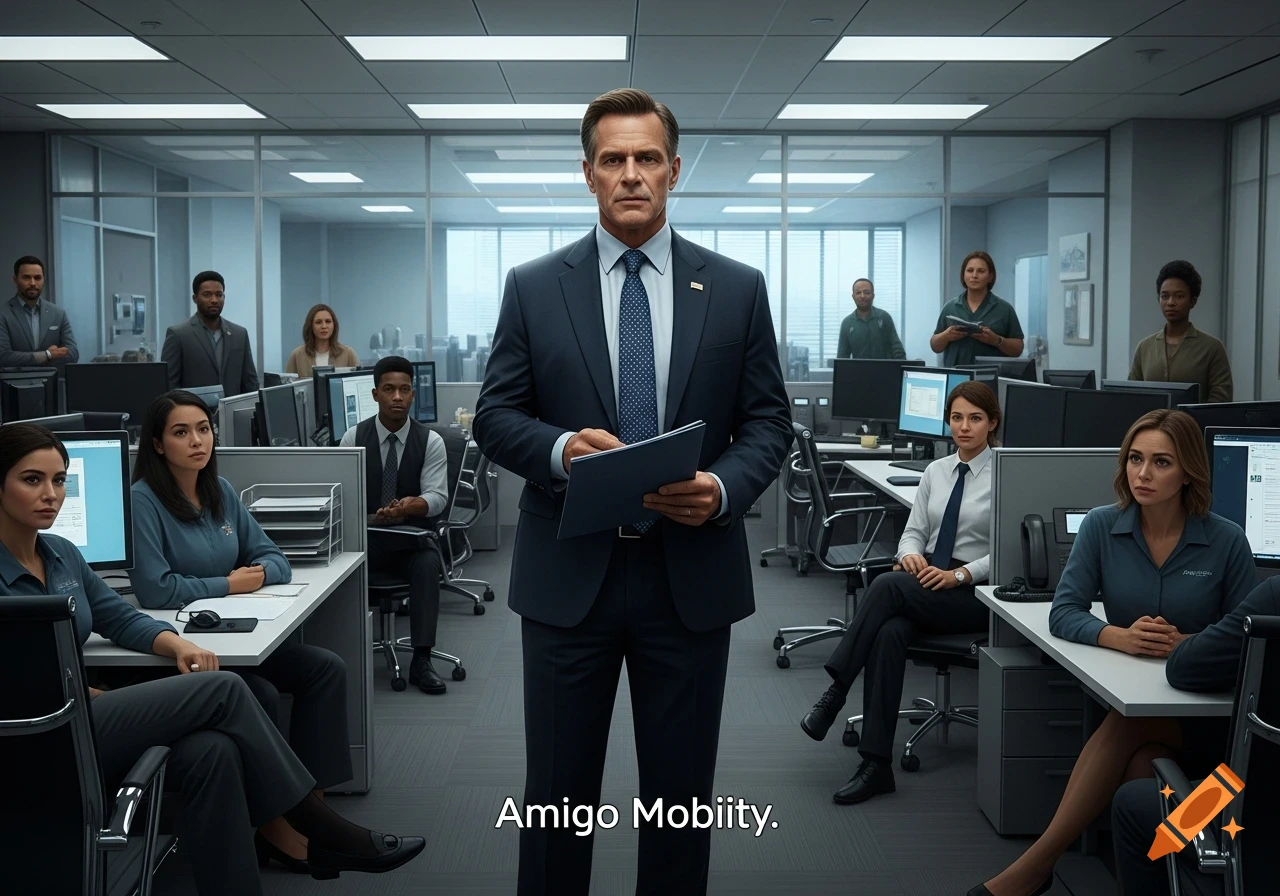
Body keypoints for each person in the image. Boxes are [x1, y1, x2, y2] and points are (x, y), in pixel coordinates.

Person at [472, 87, 791, 896]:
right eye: (613, 160)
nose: (631, 175)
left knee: (680, 806)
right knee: (556, 805)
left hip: (688, 581)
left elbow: (768, 425)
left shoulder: (737, 288)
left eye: (647, 158)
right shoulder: (534, 286)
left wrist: (722, 487)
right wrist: (558, 449)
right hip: (566, 577)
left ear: (674, 169)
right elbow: (495, 416)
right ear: (587, 174)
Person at [0, 422, 423, 896]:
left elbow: (119, 617)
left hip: (84, 718)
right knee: (225, 687)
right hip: (39, 737)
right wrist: (84, 691)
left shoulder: (58, 553)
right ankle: (321, 828)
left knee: (213, 753)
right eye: (32, 480)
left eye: (59, 480)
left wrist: (177, 643)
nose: (51, 494)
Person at [973, 409, 1257, 896]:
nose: (1143, 474)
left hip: (1222, 732)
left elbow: (1251, 641)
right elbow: (1063, 611)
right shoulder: (1103, 527)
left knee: (1131, 729)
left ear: (1189, 470)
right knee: (1140, 774)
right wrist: (1117, 636)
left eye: (1161, 462)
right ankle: (1153, 876)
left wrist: (1187, 643)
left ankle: (1038, 864)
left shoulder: (1226, 539)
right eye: (1135, 459)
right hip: (1151, 714)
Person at [127, 389, 354, 871]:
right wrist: (227, 583)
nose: (197, 441)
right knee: (261, 694)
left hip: (235, 635)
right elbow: (155, 589)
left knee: (324, 669)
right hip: (187, 647)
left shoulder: (220, 491)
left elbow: (276, 562)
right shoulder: (143, 500)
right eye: (181, 432)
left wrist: (240, 580)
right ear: (157, 444)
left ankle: (312, 805)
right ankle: (273, 826)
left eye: (204, 429)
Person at [799, 381, 998, 799]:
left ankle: (836, 693)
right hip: (929, 579)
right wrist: (910, 555)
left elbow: (1008, 553)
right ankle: (876, 766)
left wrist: (959, 577)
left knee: (887, 586)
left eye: (975, 418)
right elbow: (914, 533)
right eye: (957, 417)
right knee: (889, 633)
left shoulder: (1006, 476)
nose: (964, 427)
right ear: (948, 421)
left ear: (992, 423)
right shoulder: (936, 471)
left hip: (973, 592)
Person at [1109, 574, 1280, 896]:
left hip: (1251, 808)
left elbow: (1183, 668)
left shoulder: (1274, 597)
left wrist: (1187, 639)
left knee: (1133, 803)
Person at [340, 355, 450, 694]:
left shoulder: (430, 441)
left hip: (409, 540)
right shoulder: (352, 437)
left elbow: (438, 496)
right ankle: (342, 656)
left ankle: (421, 659)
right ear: (375, 395)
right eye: (389, 390)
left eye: (404, 390)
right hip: (367, 540)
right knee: (338, 562)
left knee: (429, 562)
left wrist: (410, 505)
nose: (398, 397)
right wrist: (372, 515)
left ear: (413, 395)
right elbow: (342, 498)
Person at [1129, 260, 1232, 403]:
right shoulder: (1145, 347)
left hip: (1192, 425)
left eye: (1179, 296)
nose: (1171, 302)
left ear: (1193, 301)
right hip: (1152, 425)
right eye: (1164, 296)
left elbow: (1221, 400)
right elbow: (1130, 395)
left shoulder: (1212, 347)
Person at [162, 271, 259, 396]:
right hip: (194, 412)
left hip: (231, 412)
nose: (214, 300)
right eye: (207, 295)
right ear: (195, 298)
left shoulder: (239, 334)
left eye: (219, 295)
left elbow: (250, 382)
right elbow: (170, 385)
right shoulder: (178, 334)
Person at [931, 251, 1025, 367]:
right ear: (963, 275)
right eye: (970, 270)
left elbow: (1018, 349)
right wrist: (946, 335)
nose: (974, 275)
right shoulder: (950, 307)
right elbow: (935, 346)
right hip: (957, 378)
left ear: (990, 277)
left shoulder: (1004, 309)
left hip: (989, 379)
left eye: (981, 271)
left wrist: (996, 340)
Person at [1, 255, 78, 367]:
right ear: (15, 280)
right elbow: (3, 357)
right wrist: (46, 355)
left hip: (51, 382)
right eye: (26, 277)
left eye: (37, 278)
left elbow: (73, 354)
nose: (32, 283)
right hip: (15, 383)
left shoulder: (58, 314)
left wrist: (39, 357)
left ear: (43, 280)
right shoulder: (3, 314)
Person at [835, 278, 906, 360]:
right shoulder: (847, 323)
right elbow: (842, 358)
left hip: (885, 371)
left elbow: (897, 349)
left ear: (873, 295)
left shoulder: (884, 317)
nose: (862, 296)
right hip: (859, 372)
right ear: (853, 296)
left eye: (867, 292)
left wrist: (900, 369)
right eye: (858, 293)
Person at [286, 303, 360, 377]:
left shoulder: (348, 353)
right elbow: (287, 385)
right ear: (310, 326)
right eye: (318, 322)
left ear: (334, 325)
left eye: (328, 321)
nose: (324, 326)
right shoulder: (297, 355)